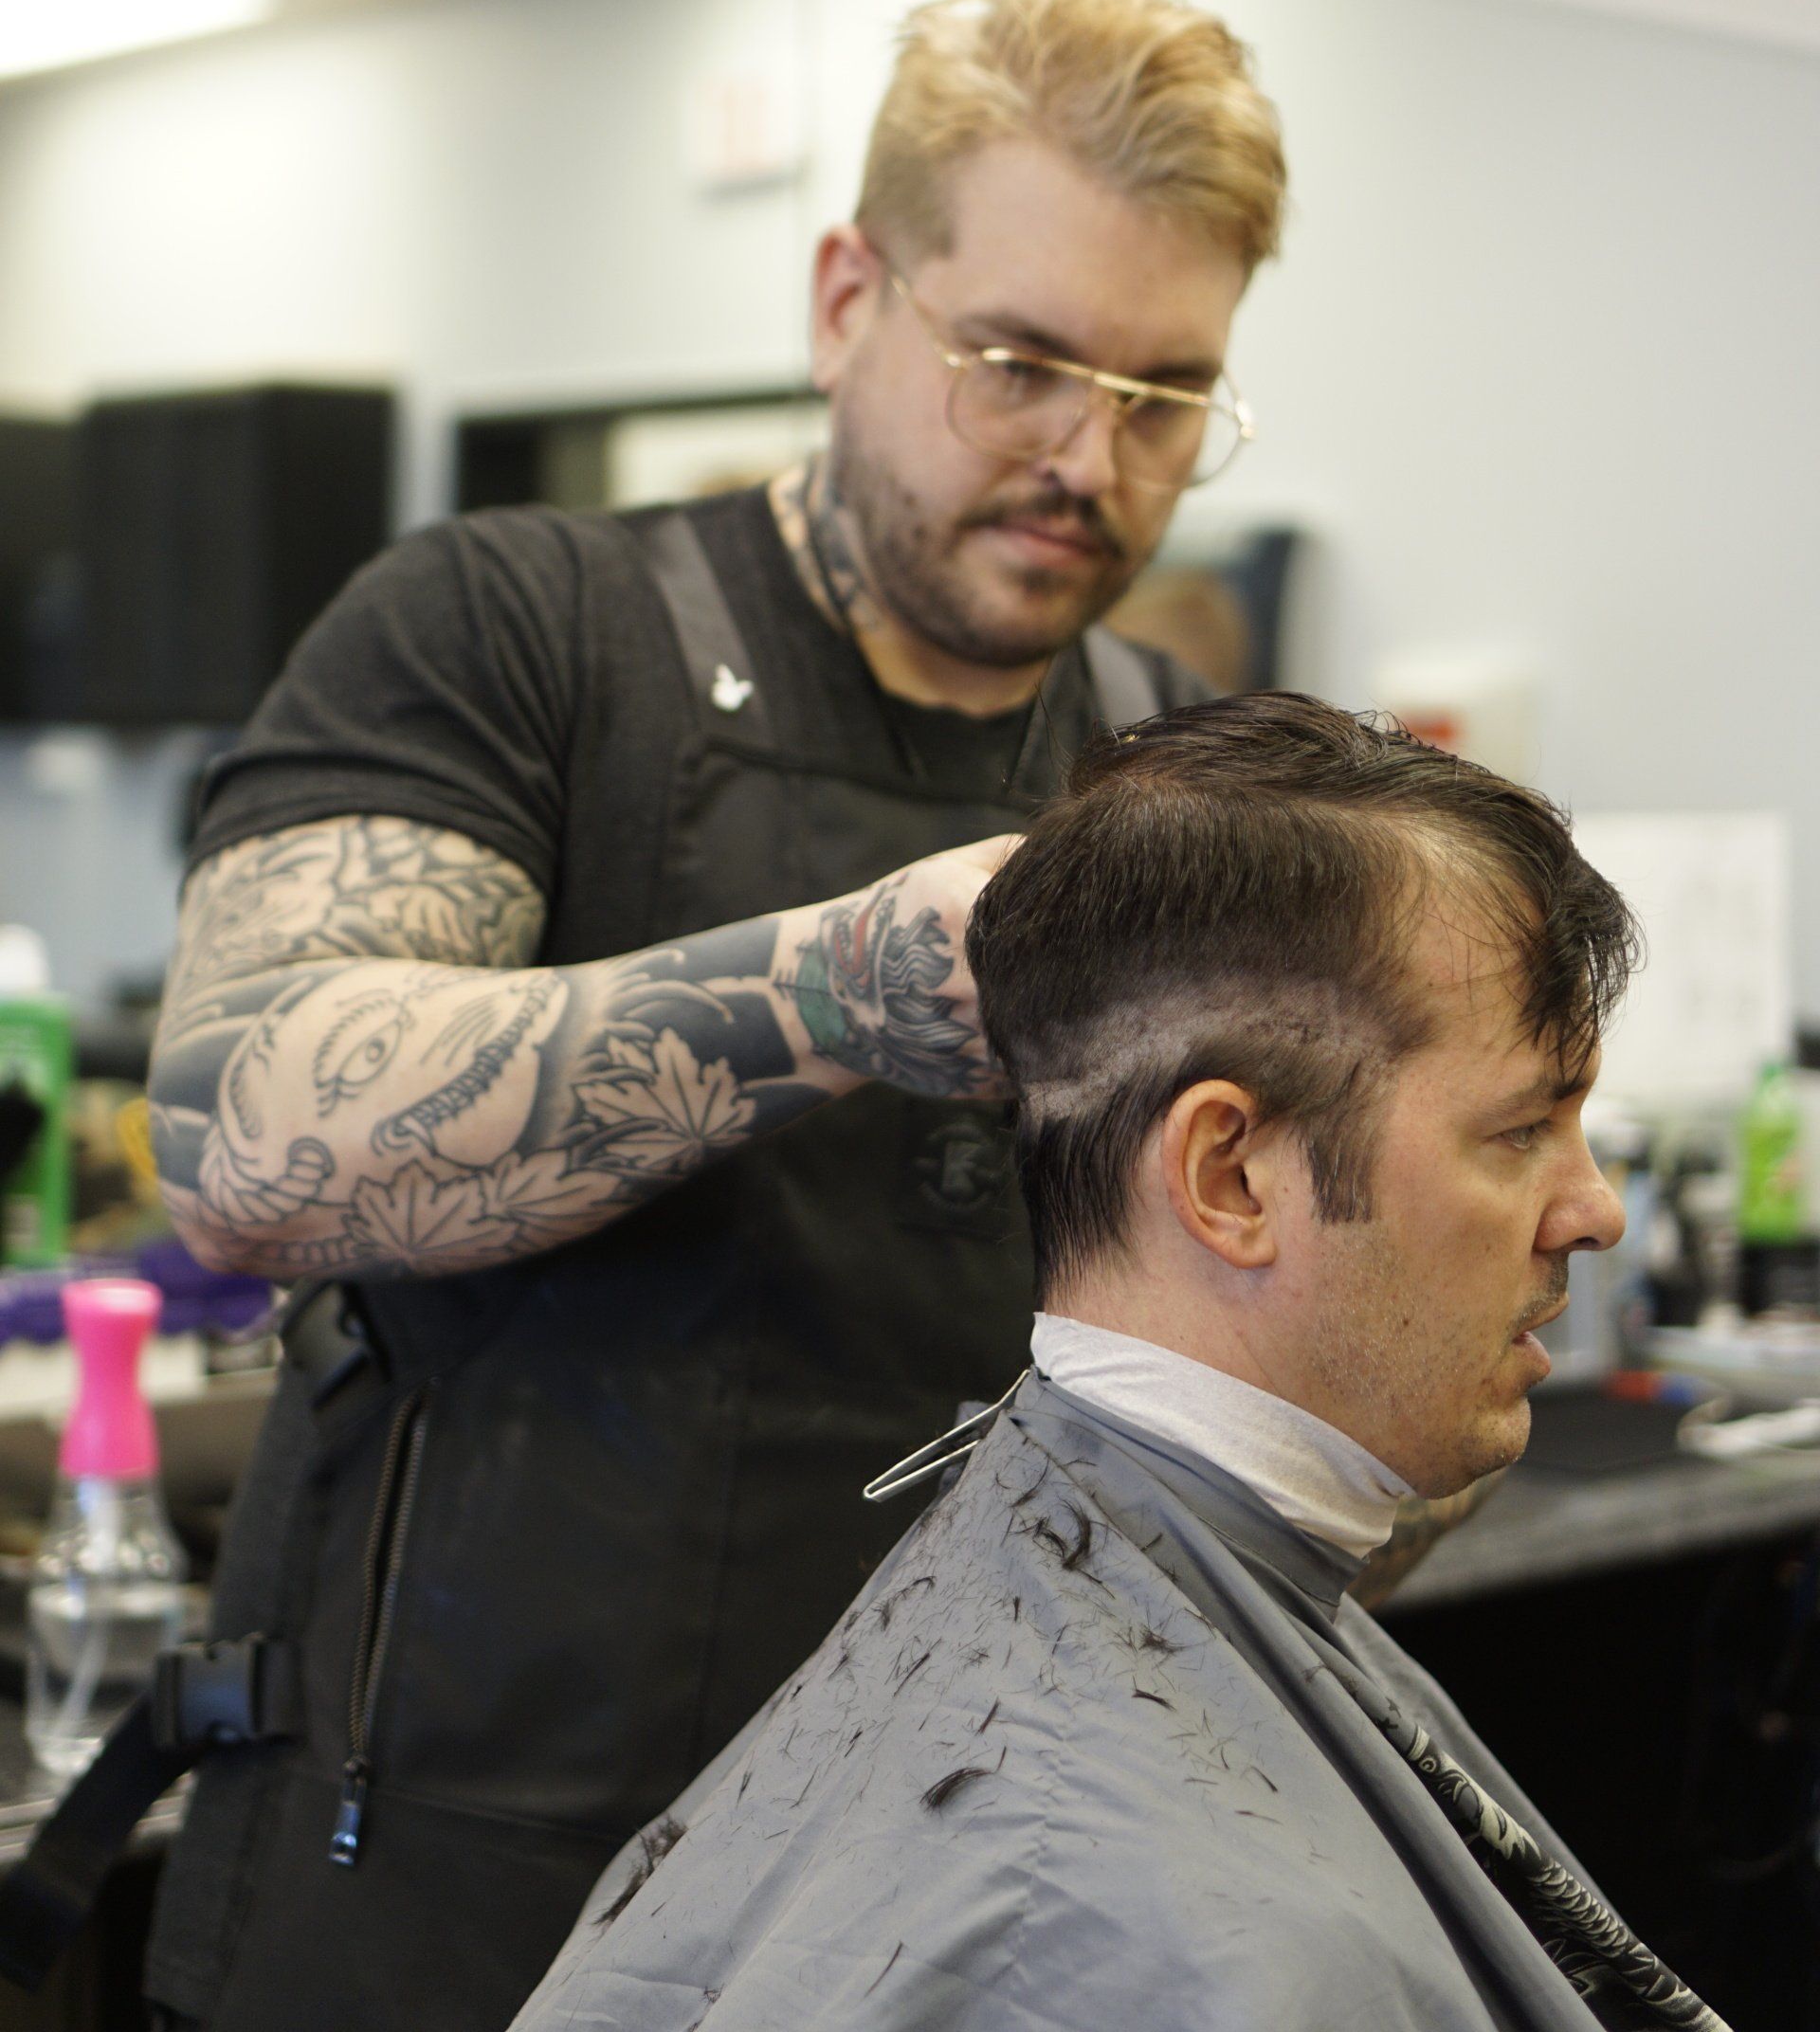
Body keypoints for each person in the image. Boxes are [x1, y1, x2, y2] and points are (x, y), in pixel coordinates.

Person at [118, 0, 1288, 2032]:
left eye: (1166, 394)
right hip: (452, 1899)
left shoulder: (1169, 763)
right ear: (849, 296)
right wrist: (837, 987)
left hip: (931, 1912)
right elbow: (236, 1133)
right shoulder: (512, 631)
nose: (1087, 455)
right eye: (1019, 361)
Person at [511, 695, 1728, 2032]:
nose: (1596, 1210)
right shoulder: (1135, 1927)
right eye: (1521, 1131)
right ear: (1232, 1175)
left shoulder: (1071, 1660)